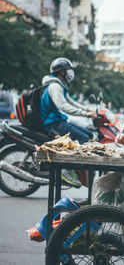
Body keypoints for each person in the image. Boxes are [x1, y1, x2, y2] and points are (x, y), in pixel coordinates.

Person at [40, 57, 96, 186]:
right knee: (83, 139)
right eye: (68, 69)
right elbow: (63, 106)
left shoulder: (60, 85)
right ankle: (66, 169)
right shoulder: (54, 86)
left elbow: (72, 103)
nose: (71, 72)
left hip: (58, 121)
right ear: (61, 72)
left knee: (89, 136)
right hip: (52, 124)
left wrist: (89, 110)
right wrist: (86, 114)